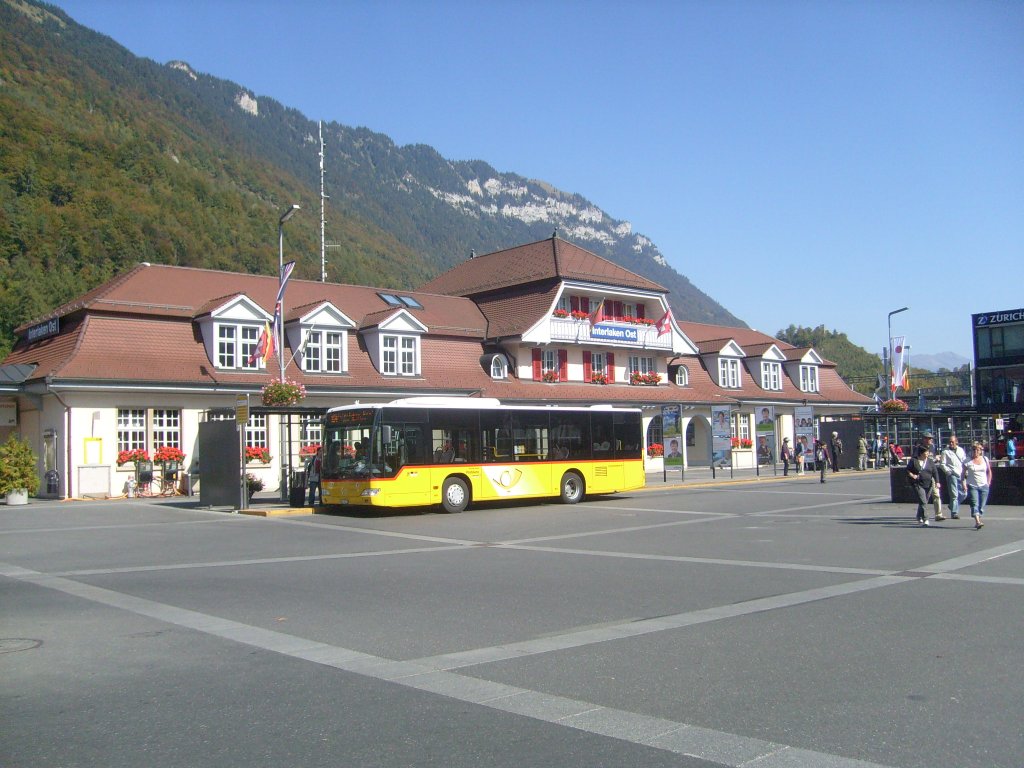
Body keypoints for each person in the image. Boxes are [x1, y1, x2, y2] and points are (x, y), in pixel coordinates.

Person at [906, 445, 938, 526]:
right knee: (923, 501)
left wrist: (937, 482)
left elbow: (935, 472)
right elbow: (908, 470)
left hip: (928, 484)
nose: (927, 454)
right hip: (918, 484)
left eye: (928, 452)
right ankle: (925, 519)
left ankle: (918, 516)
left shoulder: (930, 461)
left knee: (924, 501)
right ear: (921, 453)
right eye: (925, 452)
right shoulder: (914, 460)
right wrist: (912, 475)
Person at [964, 442, 993, 529]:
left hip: (984, 485)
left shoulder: (985, 459)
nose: (976, 451)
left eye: (978, 449)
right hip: (972, 485)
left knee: (981, 506)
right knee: (974, 503)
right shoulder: (967, 461)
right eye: (974, 449)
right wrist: (964, 484)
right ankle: (977, 521)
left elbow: (989, 471)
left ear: (981, 451)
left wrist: (988, 482)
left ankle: (978, 516)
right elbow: (963, 474)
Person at [940, 436, 966, 519]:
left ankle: (952, 505)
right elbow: (942, 464)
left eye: (953, 442)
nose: (951, 443)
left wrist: (966, 472)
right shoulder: (945, 451)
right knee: (954, 494)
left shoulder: (961, 450)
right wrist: (948, 472)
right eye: (950, 442)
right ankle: (954, 512)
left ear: (956, 442)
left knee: (964, 494)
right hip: (952, 475)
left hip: (961, 474)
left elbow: (964, 461)